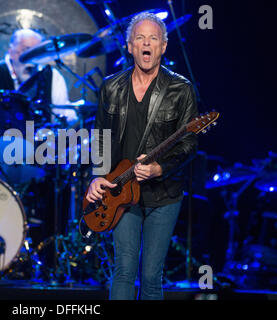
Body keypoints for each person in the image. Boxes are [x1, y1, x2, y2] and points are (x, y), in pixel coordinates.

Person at [85, 12, 198, 300]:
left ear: (163, 45)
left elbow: (189, 145)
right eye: (140, 38)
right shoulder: (111, 87)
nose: (146, 43)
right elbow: (99, 137)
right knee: (123, 269)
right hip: (121, 190)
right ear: (130, 45)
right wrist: (97, 176)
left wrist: (160, 168)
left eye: (153, 38)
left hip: (164, 194)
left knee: (150, 276)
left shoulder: (181, 89)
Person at [0, 28, 77, 122]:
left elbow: (61, 114)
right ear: (11, 52)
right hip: (1, 141)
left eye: (37, 51)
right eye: (27, 50)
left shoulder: (52, 76)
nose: (32, 57)